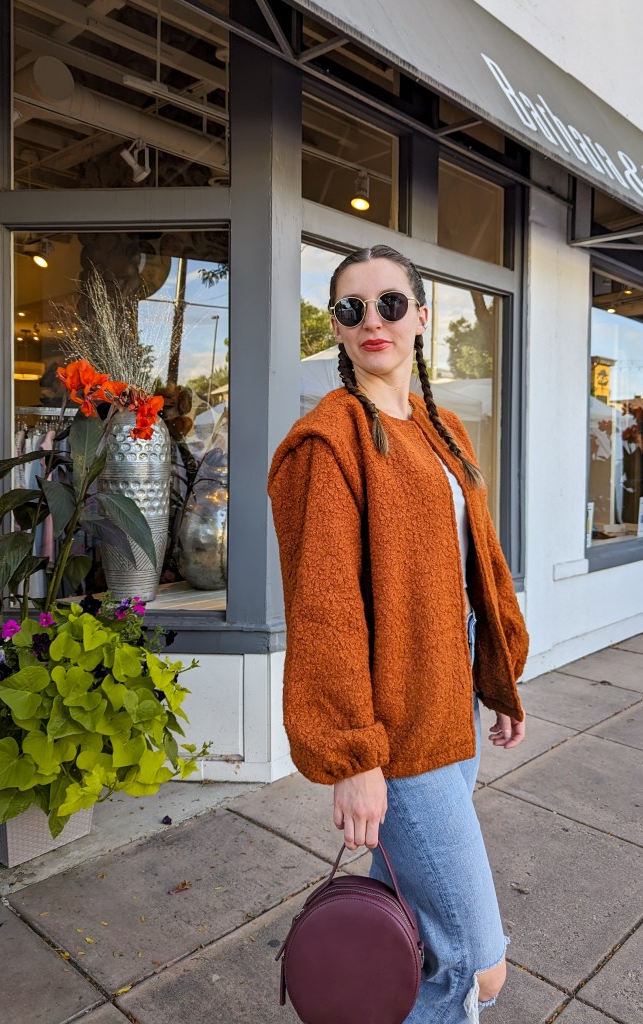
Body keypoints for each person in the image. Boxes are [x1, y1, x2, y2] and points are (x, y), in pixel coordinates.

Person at [268, 244, 529, 1024]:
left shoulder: (442, 429)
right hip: (396, 737)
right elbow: (326, 609)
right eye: (351, 308)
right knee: (475, 966)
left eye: (389, 303)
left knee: (410, 944)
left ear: (421, 317)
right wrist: (353, 755)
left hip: (451, 718)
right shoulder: (329, 438)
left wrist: (499, 677)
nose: (371, 320)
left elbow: (477, 565)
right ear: (337, 330)